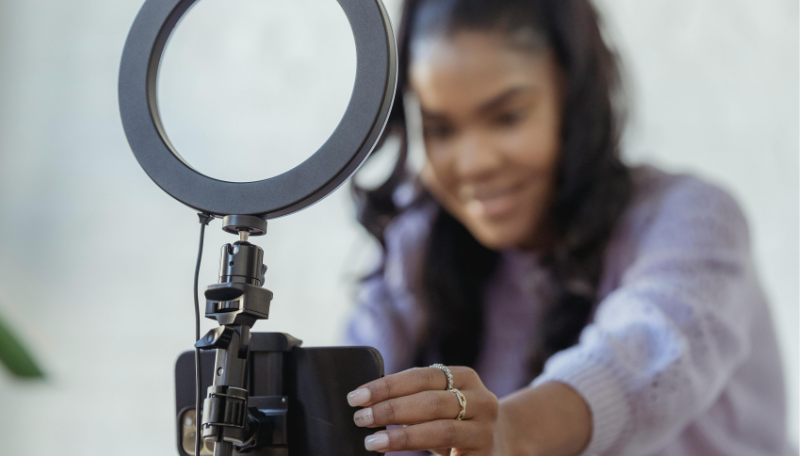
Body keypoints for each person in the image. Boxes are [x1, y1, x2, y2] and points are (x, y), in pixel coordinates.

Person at [343, 0, 793, 455]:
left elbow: (643, 354)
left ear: (572, 97)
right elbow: (356, 402)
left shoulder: (693, 219)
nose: (474, 163)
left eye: (507, 117)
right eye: (440, 130)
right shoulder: (417, 247)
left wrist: (511, 433)